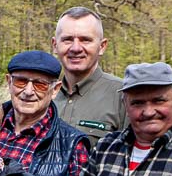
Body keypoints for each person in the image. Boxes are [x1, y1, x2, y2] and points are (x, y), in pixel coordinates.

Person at [52, 8, 127, 139]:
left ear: (102, 46)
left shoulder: (123, 96)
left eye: (85, 40)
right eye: (68, 39)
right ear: (55, 45)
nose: (76, 48)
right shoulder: (42, 95)